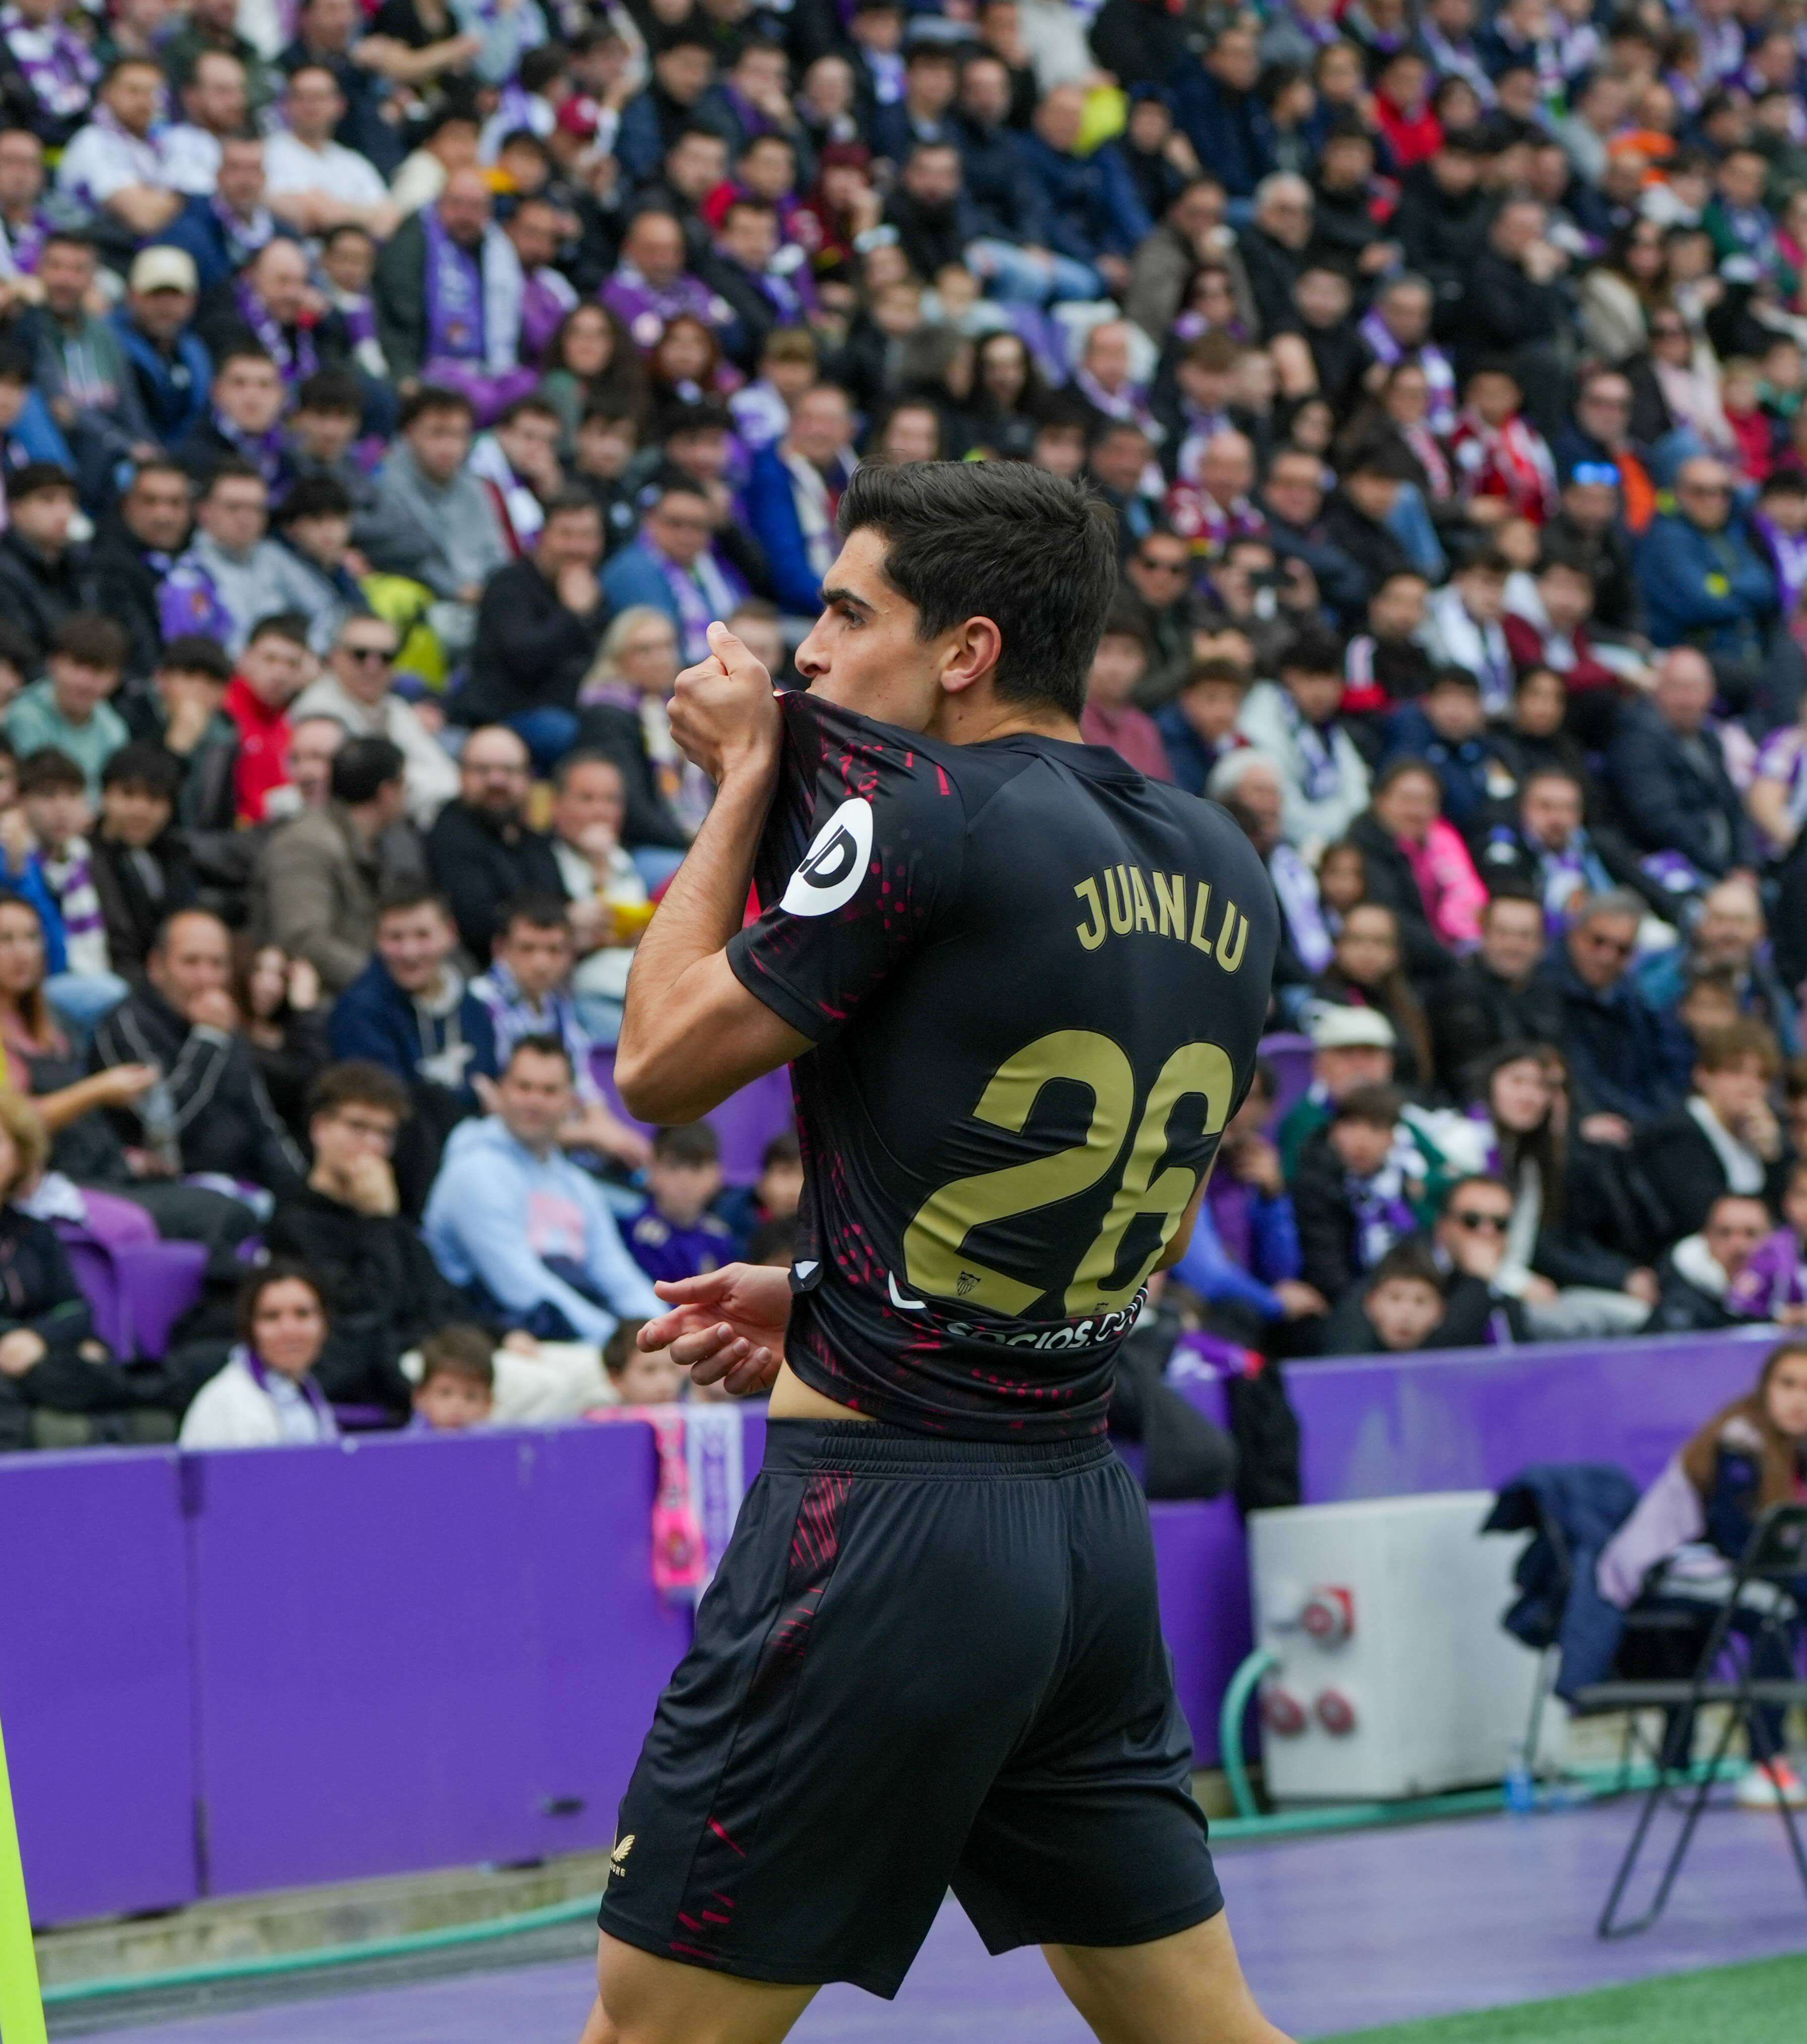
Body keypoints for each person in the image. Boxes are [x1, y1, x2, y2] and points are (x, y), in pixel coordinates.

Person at [583, 460, 1286, 2044]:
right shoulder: (1222, 862)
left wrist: (742, 780)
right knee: (1205, 2031)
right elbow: (1138, 1212)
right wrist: (831, 1292)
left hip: (881, 1529)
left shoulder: (918, 815)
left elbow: (658, 1061)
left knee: (649, 2030)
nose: (813, 650)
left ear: (962, 650)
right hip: (1079, 1530)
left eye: (845, 608)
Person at [1599, 1340, 1807, 1809]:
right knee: (1775, 1609)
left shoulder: (1796, 1451)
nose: (1799, 1399)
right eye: (1788, 1384)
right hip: (1665, 1567)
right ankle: (1766, 1761)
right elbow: (1738, 1544)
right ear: (1765, 1390)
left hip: (1723, 1572)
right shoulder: (1739, 1443)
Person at [263, 1060, 473, 1421]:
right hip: (376, 1373)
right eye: (358, 1127)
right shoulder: (293, 1223)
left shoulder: (394, 1220)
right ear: (320, 1128)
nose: (372, 1145)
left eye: (384, 1133)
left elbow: (443, 1303)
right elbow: (361, 1311)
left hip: (433, 1359)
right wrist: (377, 1221)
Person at [424, 1034, 660, 1343]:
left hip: (569, 1334)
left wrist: (666, 1329)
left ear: (571, 1101)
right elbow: (520, 1288)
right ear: (501, 1091)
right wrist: (618, 1344)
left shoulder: (577, 1184)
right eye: (524, 1087)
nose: (534, 1101)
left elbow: (615, 1272)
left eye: (549, 1091)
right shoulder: (474, 1171)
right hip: (490, 1335)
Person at [91, 908, 307, 1206]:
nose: (206, 978)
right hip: (166, 1190)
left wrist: (301, 1194)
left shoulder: (222, 1022)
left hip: (244, 1182)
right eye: (191, 962)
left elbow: (262, 1120)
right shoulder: (127, 1026)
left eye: (217, 964)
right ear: (157, 966)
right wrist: (207, 1040)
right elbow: (166, 1129)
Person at [327, 885, 498, 1210]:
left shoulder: (472, 1008)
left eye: (423, 936)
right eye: (395, 937)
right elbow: (390, 1106)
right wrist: (472, 1098)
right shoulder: (360, 1011)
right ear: (377, 941)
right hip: (406, 1180)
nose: (409, 952)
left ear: (450, 934)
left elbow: (495, 1087)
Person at [256, 735, 422, 995]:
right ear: (388, 792)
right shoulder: (305, 844)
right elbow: (302, 940)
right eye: (405, 786)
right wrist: (390, 984)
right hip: (319, 1002)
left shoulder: (377, 843)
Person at [462, 490, 607, 768]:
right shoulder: (509, 585)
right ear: (543, 536)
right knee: (572, 734)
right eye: (566, 534)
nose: (578, 547)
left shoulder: (593, 588)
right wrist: (573, 614)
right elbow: (524, 659)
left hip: (575, 708)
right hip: (510, 714)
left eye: (588, 536)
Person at [1628, 1021, 1787, 1251]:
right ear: (1703, 1075)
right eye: (1735, 1072)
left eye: (1762, 1077)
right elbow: (1700, 1218)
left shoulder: (1767, 1133)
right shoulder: (1677, 1134)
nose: (1749, 1087)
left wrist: (1773, 1157)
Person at [288, 614, 459, 828]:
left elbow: (449, 779)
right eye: (360, 655)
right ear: (334, 657)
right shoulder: (317, 712)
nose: (373, 666)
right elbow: (368, 786)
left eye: (386, 657)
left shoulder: (393, 706)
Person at [1538, 888, 1685, 1136]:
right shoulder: (1544, 990)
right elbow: (1579, 1076)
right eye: (1598, 941)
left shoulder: (1630, 996)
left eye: (1622, 949)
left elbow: (1659, 1066)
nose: (1607, 957)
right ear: (1575, 935)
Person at [425, 724, 565, 964]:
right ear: (461, 776)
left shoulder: (530, 836)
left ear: (528, 778)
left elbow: (559, 898)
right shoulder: (450, 834)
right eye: (482, 770)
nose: (496, 780)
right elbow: (478, 925)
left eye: (509, 771)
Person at [1236, 629, 1370, 858]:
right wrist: (1339, 821)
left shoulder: (1328, 730)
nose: (1321, 691)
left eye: (1328, 679)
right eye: (1310, 678)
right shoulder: (1262, 717)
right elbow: (1286, 814)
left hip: (1326, 847)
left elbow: (1359, 795)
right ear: (1289, 678)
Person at [179, 1262, 338, 1448]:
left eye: (302, 1314)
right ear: (250, 1329)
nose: (289, 1330)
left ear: (325, 1324)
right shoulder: (231, 1403)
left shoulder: (305, 1391)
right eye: (272, 1316)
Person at [1425, 886, 1564, 1091]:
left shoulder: (1549, 992)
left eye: (1525, 935)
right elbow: (1467, 1075)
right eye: (1503, 933)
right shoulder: (1458, 991)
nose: (1513, 945)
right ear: (1484, 934)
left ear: (1541, 943)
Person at [87, 743, 198, 977]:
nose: (140, 809)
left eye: (154, 798)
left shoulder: (174, 855)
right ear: (104, 796)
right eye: (128, 794)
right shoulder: (81, 856)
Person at [4, 613, 130, 797]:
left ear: (117, 678)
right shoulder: (21, 715)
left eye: (99, 671)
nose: (85, 682)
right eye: (77, 665)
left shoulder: (114, 731)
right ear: (53, 663)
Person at [1646, 1192, 1775, 1335]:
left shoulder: (1790, 1292)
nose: (1738, 1245)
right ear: (1706, 1238)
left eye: (1751, 1233)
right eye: (1725, 1233)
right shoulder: (1679, 1305)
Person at [0, 462, 90, 663]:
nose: (63, 512)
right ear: (16, 508)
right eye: (47, 500)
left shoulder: (79, 564)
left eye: (70, 500)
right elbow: (19, 652)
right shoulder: (5, 571)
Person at [625, 1122, 735, 1285]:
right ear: (652, 1168)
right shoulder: (640, 1235)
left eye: (696, 1168)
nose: (684, 1181)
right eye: (673, 1167)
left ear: (716, 1174)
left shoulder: (719, 1236)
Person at [410, 1324, 495, 1432]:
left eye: (470, 1397)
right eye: (446, 1393)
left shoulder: (496, 1445)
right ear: (420, 1397)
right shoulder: (404, 1444)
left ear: (489, 1403)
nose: (457, 1406)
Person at [600, 1318, 684, 1407]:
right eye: (649, 1370)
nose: (666, 1383)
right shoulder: (597, 1419)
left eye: (672, 1369)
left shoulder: (693, 1415)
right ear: (616, 1379)